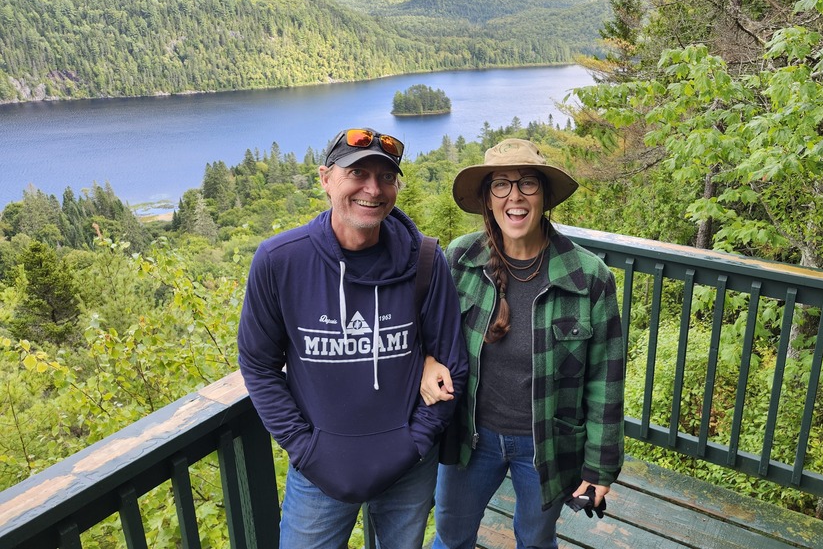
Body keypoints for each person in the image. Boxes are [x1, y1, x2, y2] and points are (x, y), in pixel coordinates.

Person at [237, 126, 468, 549]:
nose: (373, 189)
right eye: (357, 173)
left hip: (408, 468)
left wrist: (415, 443)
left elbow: (453, 363)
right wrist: (304, 448)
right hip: (320, 470)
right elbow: (258, 364)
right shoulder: (280, 262)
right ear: (325, 179)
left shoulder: (427, 261)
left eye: (385, 177)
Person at [421, 138, 626, 549]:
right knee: (451, 537)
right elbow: (428, 331)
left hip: (548, 444)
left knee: (535, 540)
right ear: (487, 199)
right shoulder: (460, 259)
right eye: (500, 184)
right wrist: (427, 359)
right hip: (470, 437)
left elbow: (607, 381)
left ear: (545, 196)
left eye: (528, 183)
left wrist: (600, 468)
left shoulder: (588, 276)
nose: (514, 196)